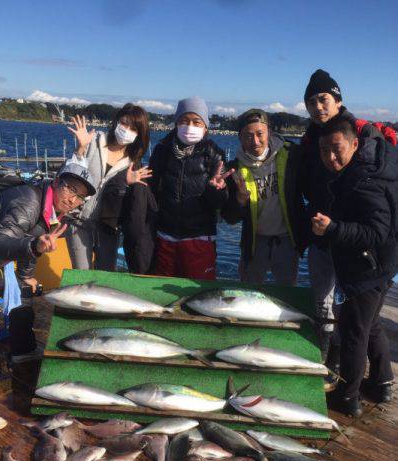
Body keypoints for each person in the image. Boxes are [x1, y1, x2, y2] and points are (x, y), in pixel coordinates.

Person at [0, 163, 96, 431]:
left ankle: (21, 351)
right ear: (56, 181)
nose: (72, 199)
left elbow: (35, 239)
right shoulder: (28, 201)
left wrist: (27, 275)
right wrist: (32, 246)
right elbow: (0, 240)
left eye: (79, 196)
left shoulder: (51, 209)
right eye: (69, 189)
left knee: (22, 294)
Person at [301, 69, 397, 381]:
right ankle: (374, 377)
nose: (317, 106)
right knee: (330, 304)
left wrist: (338, 227)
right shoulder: (309, 137)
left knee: (355, 318)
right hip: (324, 232)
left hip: (359, 242)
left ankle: (344, 378)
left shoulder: (363, 137)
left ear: (338, 99)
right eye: (311, 101)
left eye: (323, 99)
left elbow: (373, 195)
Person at [312, 117, 397, 416]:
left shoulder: (364, 180)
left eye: (336, 149)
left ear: (355, 144)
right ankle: (383, 381)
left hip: (366, 267)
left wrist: (333, 229)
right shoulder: (374, 165)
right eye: (324, 151)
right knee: (371, 324)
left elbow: (376, 232)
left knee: (353, 331)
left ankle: (348, 397)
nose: (330, 157)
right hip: (384, 264)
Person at [149, 96, 233, 280]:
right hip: (165, 237)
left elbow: (219, 204)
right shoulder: (162, 150)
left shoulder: (213, 154)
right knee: (160, 290)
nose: (190, 126)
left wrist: (217, 190)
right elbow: (152, 190)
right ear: (176, 123)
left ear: (205, 127)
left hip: (200, 239)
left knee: (196, 293)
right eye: (185, 121)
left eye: (197, 122)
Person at [222, 109, 306, 285]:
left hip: (286, 241)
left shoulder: (291, 156)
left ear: (270, 133)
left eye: (260, 134)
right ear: (239, 138)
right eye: (247, 136)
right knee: (249, 291)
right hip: (254, 243)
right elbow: (229, 218)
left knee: (287, 293)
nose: (255, 141)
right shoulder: (233, 169)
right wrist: (239, 200)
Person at [66, 104, 151, 271]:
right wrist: (81, 147)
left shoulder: (133, 164)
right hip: (78, 220)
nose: (126, 129)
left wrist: (126, 182)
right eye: (124, 123)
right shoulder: (94, 140)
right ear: (116, 121)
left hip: (108, 228)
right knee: (82, 272)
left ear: (139, 135)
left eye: (133, 128)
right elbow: (70, 173)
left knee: (105, 274)